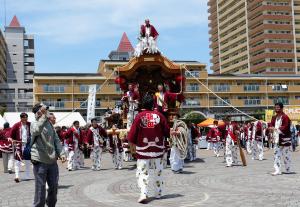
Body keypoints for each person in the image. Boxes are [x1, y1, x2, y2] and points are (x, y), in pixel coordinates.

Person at [127, 94, 170, 203]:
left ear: (142, 104)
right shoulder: (160, 116)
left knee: (143, 173)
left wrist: (131, 144)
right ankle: (158, 193)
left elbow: (132, 136)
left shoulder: (139, 116)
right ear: (153, 104)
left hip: (143, 150)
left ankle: (143, 194)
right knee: (158, 172)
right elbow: (167, 132)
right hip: (158, 150)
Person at [30, 103, 66, 207]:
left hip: (52, 161)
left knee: (54, 188)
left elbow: (56, 140)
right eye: (43, 110)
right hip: (40, 160)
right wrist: (43, 116)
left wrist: (61, 153)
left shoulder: (49, 124)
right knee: (40, 189)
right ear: (38, 112)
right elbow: (36, 130)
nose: (46, 111)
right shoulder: (34, 123)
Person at [268, 102, 292, 176]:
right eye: (275, 107)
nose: (276, 109)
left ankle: (288, 169)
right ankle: (277, 170)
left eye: (278, 107)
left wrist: (275, 128)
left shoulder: (285, 117)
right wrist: (270, 127)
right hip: (276, 139)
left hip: (284, 139)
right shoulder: (274, 117)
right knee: (276, 155)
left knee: (286, 155)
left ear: (281, 108)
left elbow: (285, 127)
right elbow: (271, 124)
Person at [10, 112, 31, 182]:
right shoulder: (16, 125)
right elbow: (11, 135)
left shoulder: (29, 124)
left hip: (28, 145)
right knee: (17, 161)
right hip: (19, 145)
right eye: (24, 118)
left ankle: (27, 175)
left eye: (26, 118)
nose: (25, 120)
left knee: (28, 161)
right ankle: (17, 176)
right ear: (21, 118)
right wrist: (12, 140)